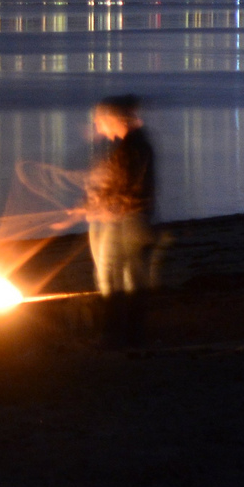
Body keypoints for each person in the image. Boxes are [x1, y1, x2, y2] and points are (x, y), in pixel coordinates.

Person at [85, 94, 156, 344]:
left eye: (100, 121)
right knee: (127, 278)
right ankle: (128, 333)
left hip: (129, 223)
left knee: (114, 277)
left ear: (113, 119)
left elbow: (125, 190)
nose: (99, 127)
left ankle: (117, 335)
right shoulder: (134, 146)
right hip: (133, 221)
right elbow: (118, 185)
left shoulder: (133, 148)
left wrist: (100, 206)